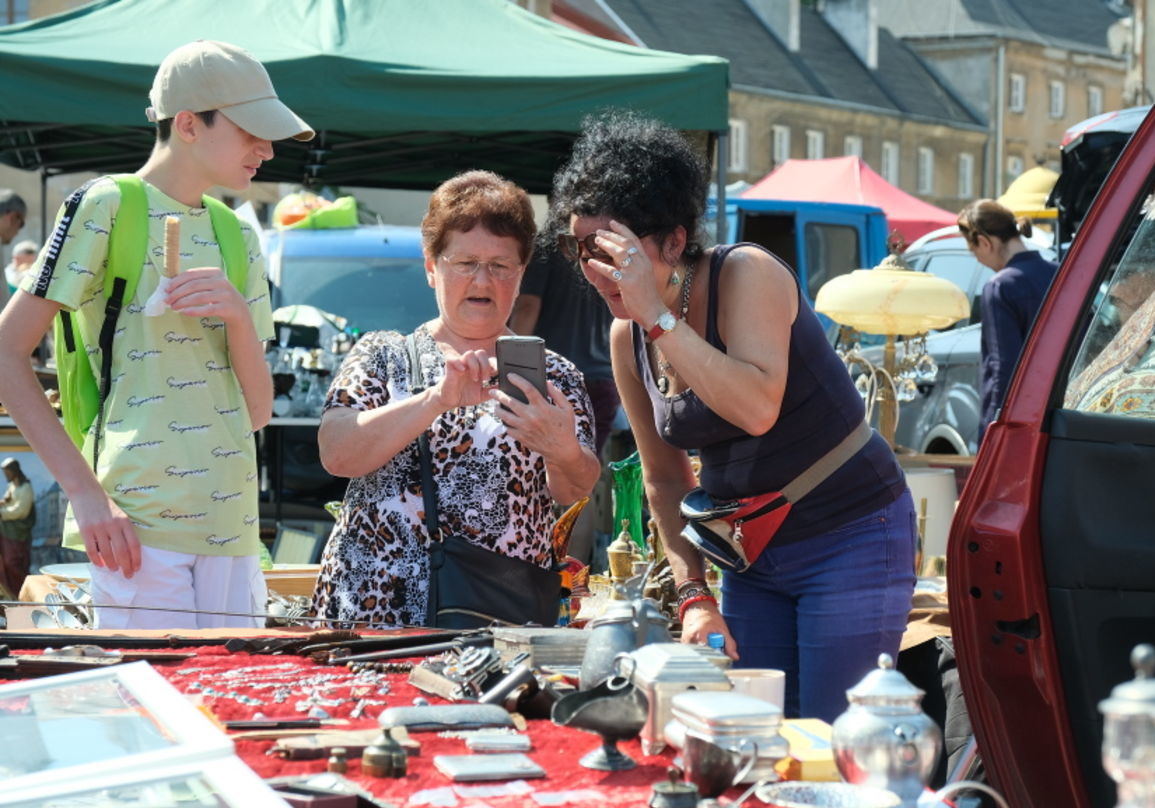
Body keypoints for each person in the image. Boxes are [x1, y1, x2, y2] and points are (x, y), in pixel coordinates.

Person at [547, 113, 915, 720]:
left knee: (834, 735)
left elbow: (755, 407)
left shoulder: (747, 273)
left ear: (672, 241)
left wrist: (657, 318)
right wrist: (693, 594)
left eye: (613, 249)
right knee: (756, 731)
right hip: (748, 552)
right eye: (580, 249)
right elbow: (665, 480)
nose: (596, 269)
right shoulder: (626, 336)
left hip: (850, 531)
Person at [0, 40, 313, 629]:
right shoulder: (105, 205)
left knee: (226, 707)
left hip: (234, 527)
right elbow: (5, 352)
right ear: (190, 124)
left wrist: (239, 321)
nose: (267, 150)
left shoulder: (237, 234)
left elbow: (258, 410)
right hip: (136, 526)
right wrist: (88, 498)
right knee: (155, 708)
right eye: (252, 131)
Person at [312, 170, 600, 628]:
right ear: (432, 268)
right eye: (464, 262)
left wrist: (561, 446)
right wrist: (435, 400)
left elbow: (573, 488)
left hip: (497, 615)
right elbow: (337, 453)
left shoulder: (555, 375)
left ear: (521, 273)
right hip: (376, 609)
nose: (482, 279)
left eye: (501, 266)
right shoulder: (382, 354)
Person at [958, 199, 1059, 442]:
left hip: (1020, 423)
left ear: (984, 242)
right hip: (1063, 416)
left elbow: (1004, 368)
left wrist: (992, 432)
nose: (978, 260)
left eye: (974, 252)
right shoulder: (1060, 273)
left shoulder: (1000, 287)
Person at [510, 248, 619, 458]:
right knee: (580, 476)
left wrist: (511, 370)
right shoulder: (610, 248)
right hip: (603, 379)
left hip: (552, 380)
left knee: (536, 473)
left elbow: (527, 307)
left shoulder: (545, 250)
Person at [0, 457, 35, 597]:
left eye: (7, 472)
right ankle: (9, 593)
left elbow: (20, 510)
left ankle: (22, 593)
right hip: (7, 531)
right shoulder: (12, 486)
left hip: (17, 534)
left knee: (13, 563)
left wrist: (1, 513)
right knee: (5, 563)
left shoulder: (26, 487)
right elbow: (8, 499)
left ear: (14, 471)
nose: (6, 475)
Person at [3, 240, 38, 306]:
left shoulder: (34, 272)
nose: (32, 258)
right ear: (16, 257)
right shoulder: (6, 273)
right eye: (28, 254)